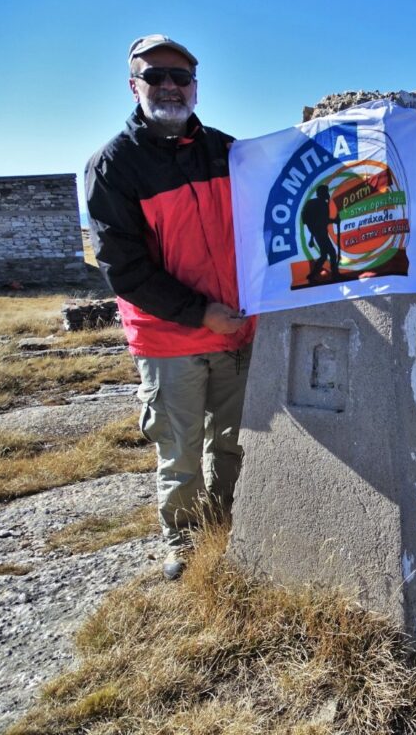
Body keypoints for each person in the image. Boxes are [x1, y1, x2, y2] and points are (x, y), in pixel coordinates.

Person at [86, 35, 256, 580]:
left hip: (236, 330)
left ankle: (230, 531)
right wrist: (200, 312)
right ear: (133, 85)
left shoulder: (229, 151)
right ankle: (185, 544)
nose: (169, 86)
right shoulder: (113, 165)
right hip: (169, 339)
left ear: (195, 87)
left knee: (235, 443)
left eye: (180, 77)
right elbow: (124, 268)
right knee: (180, 451)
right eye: (155, 76)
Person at [303, 184, 342, 283]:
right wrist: (334, 221)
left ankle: (312, 275)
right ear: (322, 193)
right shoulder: (321, 204)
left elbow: (315, 221)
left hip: (318, 233)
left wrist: (312, 237)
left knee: (324, 255)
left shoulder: (313, 203)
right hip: (321, 234)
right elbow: (323, 220)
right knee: (332, 253)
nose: (327, 194)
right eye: (326, 192)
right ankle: (334, 274)